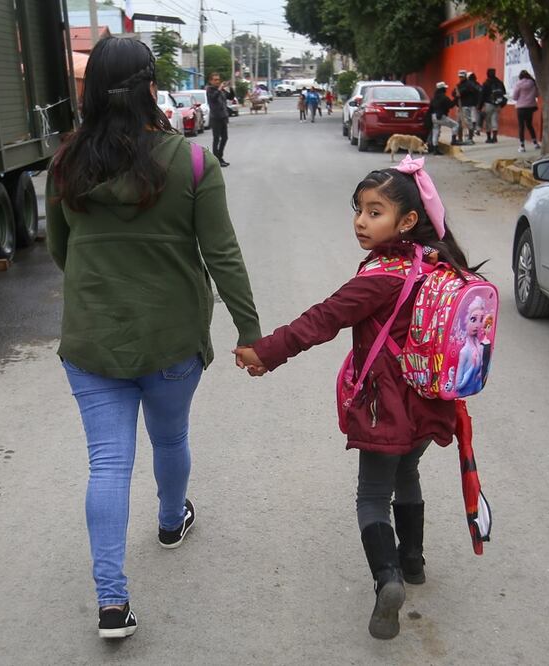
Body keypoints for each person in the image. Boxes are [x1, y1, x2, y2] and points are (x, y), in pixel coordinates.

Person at [45, 37, 262, 638]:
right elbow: (223, 256)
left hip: (92, 341)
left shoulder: (66, 163)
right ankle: (171, 521)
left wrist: (104, 289)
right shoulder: (191, 162)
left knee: (108, 464)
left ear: (90, 93)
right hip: (171, 341)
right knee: (170, 439)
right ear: (150, 87)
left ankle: (112, 602)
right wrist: (250, 331)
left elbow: (60, 251)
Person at [233, 158, 472, 640]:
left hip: (386, 405)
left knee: (370, 497)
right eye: (359, 209)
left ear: (406, 221)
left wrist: (264, 351)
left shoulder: (382, 274)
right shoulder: (437, 262)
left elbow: (323, 318)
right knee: (409, 472)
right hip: (431, 399)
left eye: (375, 211)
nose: (361, 221)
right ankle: (414, 561)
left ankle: (389, 581)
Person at [511, 70, 541, 153]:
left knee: (521, 126)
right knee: (529, 125)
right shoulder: (533, 83)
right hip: (530, 107)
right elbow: (537, 94)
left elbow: (515, 97)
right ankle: (535, 143)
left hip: (521, 107)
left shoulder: (519, 84)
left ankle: (522, 146)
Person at [206, 72, 230, 167]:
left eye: (218, 80)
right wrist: (219, 89)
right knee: (216, 139)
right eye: (215, 80)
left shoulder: (221, 90)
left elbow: (230, 97)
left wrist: (229, 88)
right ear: (211, 81)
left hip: (223, 117)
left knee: (225, 138)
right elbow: (213, 98)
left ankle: (220, 157)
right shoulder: (210, 90)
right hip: (215, 118)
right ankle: (216, 160)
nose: (217, 81)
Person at [429, 82, 458, 154]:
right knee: (455, 125)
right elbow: (451, 105)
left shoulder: (434, 98)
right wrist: (456, 98)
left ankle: (435, 148)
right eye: (445, 88)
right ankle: (453, 140)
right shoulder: (444, 97)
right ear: (443, 89)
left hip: (433, 116)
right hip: (441, 116)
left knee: (436, 131)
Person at [479, 68, 506, 144]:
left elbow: (482, 95)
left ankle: (488, 138)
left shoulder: (486, 83)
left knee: (488, 121)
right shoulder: (500, 82)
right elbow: (504, 92)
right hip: (497, 104)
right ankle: (495, 137)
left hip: (488, 104)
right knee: (495, 120)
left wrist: (480, 106)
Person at [453, 70, 479, 146]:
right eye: (459, 77)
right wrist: (456, 94)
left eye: (462, 77)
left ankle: (470, 138)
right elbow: (454, 93)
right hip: (459, 105)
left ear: (465, 76)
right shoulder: (458, 85)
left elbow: (467, 91)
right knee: (458, 122)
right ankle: (460, 138)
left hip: (466, 105)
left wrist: (460, 92)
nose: (460, 78)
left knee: (468, 122)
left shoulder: (469, 84)